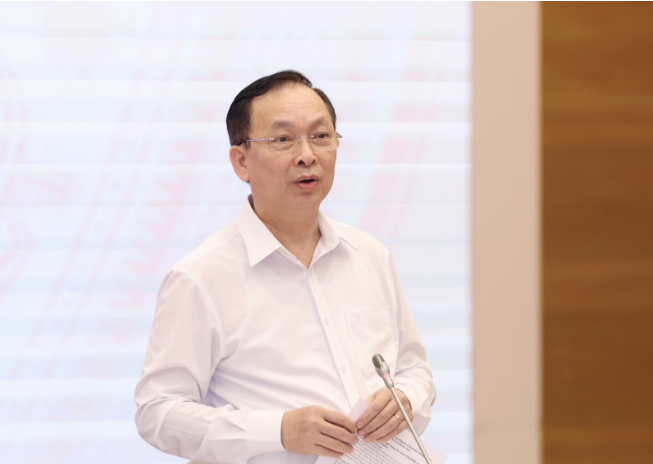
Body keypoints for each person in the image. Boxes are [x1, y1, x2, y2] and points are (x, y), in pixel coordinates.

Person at [135, 70, 435, 464]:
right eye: (283, 139)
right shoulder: (200, 277)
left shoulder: (370, 255)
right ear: (241, 161)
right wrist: (277, 431)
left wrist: (407, 398)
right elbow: (158, 412)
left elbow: (415, 369)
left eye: (321, 136)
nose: (307, 155)